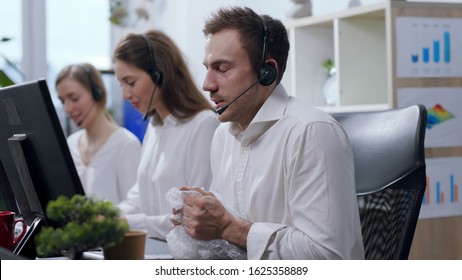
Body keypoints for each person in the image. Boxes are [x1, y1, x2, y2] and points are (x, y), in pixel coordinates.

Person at [175, 6, 365, 259]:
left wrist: (229, 227)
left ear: (267, 72)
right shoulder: (223, 136)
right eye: (207, 68)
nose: (207, 84)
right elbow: (228, 241)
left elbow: (327, 256)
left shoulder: (311, 133)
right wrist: (200, 224)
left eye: (221, 68)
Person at [113, 30, 219, 239]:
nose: (125, 94)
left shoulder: (203, 124)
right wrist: (105, 216)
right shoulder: (155, 126)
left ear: (158, 74)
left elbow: (193, 216)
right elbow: (138, 198)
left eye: (130, 82)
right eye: (121, 84)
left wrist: (125, 223)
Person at [56, 63, 141, 204]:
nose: (67, 108)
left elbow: (136, 207)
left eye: (74, 98)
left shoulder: (126, 144)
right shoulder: (71, 144)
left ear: (97, 94)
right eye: (63, 101)